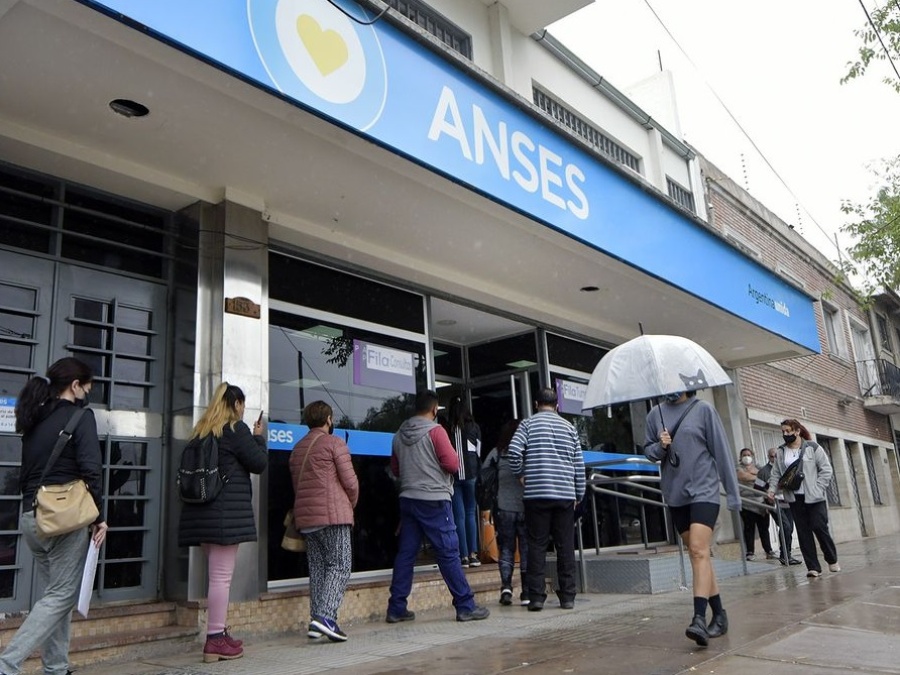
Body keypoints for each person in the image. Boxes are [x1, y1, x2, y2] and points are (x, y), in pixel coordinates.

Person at [0, 357, 108, 675]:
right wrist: (99, 516)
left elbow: (27, 474)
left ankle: (56, 667)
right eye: (87, 388)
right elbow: (91, 470)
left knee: (54, 596)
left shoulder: (35, 418)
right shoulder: (81, 417)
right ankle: (7, 664)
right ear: (75, 386)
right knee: (61, 595)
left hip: (32, 517)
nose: (87, 394)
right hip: (64, 519)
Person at [177, 382, 268, 663]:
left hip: (201, 513)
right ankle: (215, 639)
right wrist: (259, 438)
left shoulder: (202, 431)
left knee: (217, 575)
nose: (243, 410)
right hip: (223, 516)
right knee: (221, 578)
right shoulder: (235, 429)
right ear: (236, 404)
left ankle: (220, 631)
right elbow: (259, 463)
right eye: (242, 405)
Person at [644, 389, 740, 648]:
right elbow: (649, 452)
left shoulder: (704, 410)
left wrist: (733, 495)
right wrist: (661, 446)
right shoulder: (655, 414)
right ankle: (719, 615)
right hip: (676, 495)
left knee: (698, 551)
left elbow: (721, 452)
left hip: (704, 491)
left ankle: (699, 618)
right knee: (700, 555)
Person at [385, 390, 489, 624]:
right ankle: (465, 605)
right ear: (434, 409)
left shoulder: (398, 435)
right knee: (448, 552)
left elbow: (396, 469)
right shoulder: (436, 431)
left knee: (406, 554)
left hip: (408, 499)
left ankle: (396, 608)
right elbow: (453, 464)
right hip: (434, 499)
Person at [507, 388, 585, 612]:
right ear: (557, 405)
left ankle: (536, 597)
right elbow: (578, 464)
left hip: (536, 495)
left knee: (536, 546)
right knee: (565, 545)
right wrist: (579, 493)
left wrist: (521, 474)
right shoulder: (569, 428)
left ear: (536, 404)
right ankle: (567, 596)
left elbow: (513, 451)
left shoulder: (527, 425)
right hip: (564, 495)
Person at [290, 401, 359, 642]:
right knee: (340, 566)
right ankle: (326, 617)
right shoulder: (334, 443)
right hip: (333, 516)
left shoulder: (298, 448)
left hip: (307, 519)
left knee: (319, 569)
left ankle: (316, 621)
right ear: (328, 419)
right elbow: (351, 483)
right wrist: (350, 504)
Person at [766, 419, 840, 579]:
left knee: (819, 527)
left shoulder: (813, 448)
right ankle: (813, 567)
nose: (785, 434)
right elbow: (776, 474)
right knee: (803, 532)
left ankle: (831, 558)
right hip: (794, 498)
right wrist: (772, 490)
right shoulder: (781, 452)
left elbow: (826, 470)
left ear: (797, 431)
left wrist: (818, 488)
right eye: (783, 431)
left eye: (788, 431)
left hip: (815, 497)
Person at [482, 419, 528, 606]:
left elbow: (483, 475)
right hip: (526, 508)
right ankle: (526, 592)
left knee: (507, 549)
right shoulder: (527, 453)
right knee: (526, 549)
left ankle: (506, 587)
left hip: (503, 508)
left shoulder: (497, 453)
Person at [447, 397, 481, 568]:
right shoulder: (474, 427)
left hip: (454, 477)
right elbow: (479, 452)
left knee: (458, 516)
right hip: (471, 475)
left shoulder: (449, 429)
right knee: (470, 514)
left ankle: (464, 556)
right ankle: (474, 554)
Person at [758, 448, 800, 565]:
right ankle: (784, 555)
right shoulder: (764, 471)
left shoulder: (785, 467)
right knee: (785, 526)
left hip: (788, 502)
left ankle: (787, 554)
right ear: (768, 457)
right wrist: (767, 499)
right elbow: (757, 488)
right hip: (774, 503)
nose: (775, 458)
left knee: (789, 528)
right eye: (772, 456)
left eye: (777, 456)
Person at [736, 448, 776, 561]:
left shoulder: (759, 467)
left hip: (761, 503)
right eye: (744, 455)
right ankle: (750, 552)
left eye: (749, 455)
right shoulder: (738, 467)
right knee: (749, 528)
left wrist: (754, 475)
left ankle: (768, 551)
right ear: (740, 457)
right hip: (746, 502)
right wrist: (757, 476)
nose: (746, 457)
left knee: (764, 528)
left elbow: (767, 477)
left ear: (752, 456)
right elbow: (743, 476)